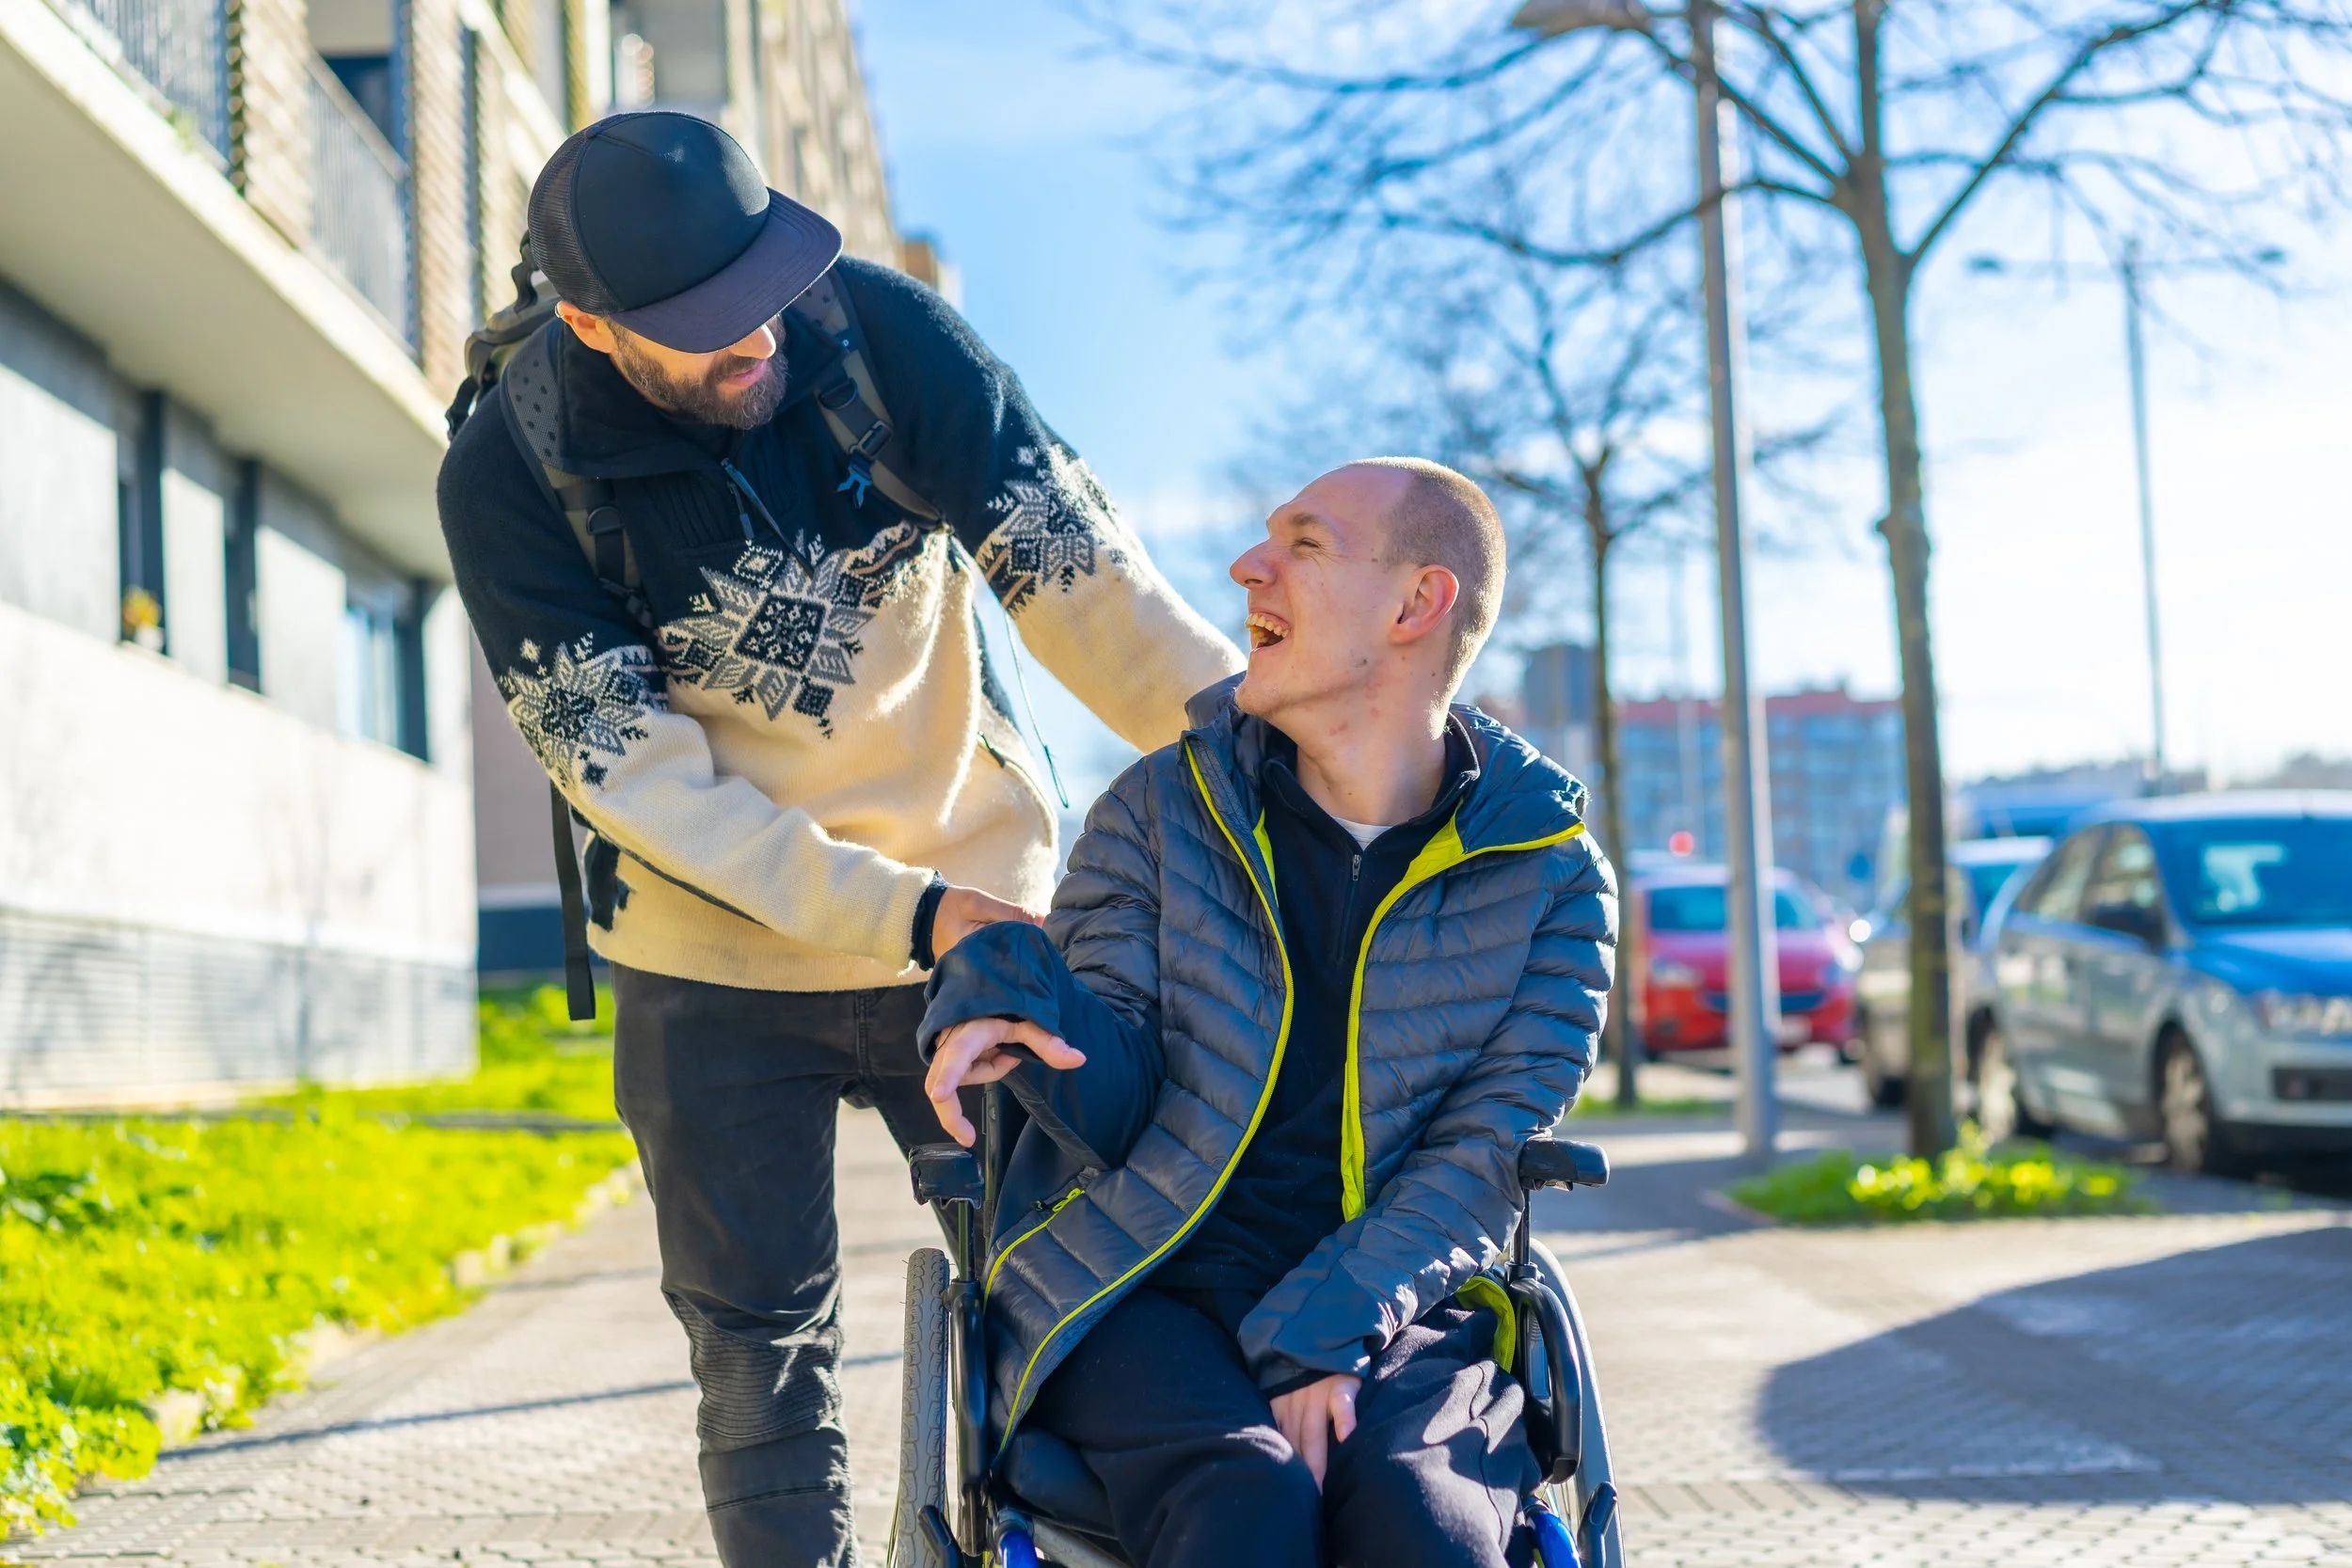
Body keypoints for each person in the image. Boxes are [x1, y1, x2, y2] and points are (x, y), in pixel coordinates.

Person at [436, 111, 1240, 1567]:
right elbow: (640, 779)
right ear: (589, 325)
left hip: (979, 906)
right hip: (715, 956)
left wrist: (1264, 755)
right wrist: (908, 913)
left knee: (1067, 1298)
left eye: (761, 294)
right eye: (700, 331)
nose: (755, 342)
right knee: (758, 1348)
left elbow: (1085, 587)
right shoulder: (509, 472)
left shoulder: (878, 335)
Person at [919, 458, 1616, 1567]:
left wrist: (1331, 1323)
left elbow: (1485, 1151)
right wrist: (1013, 981)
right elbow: (1114, 1100)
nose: (1248, 568)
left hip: (1404, 1297)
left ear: (1414, 604)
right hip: (1141, 1284)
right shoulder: (1158, 811)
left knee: (1422, 1524)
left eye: (1302, 543)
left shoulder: (1551, 876)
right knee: (1245, 1497)